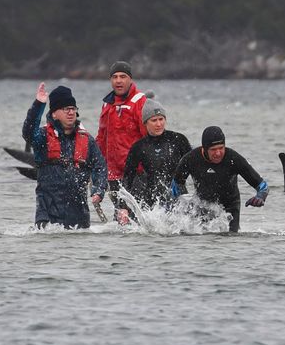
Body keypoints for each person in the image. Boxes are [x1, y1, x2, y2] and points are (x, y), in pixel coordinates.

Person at [22, 82, 108, 229]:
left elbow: (100, 167)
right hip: (47, 216)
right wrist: (38, 104)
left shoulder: (87, 140)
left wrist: (98, 191)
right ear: (54, 114)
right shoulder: (42, 137)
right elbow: (28, 133)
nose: (70, 112)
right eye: (65, 109)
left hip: (79, 217)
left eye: (73, 109)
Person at [171, 126, 268, 232]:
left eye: (221, 148)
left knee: (231, 238)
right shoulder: (191, 159)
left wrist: (260, 196)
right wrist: (183, 204)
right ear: (204, 148)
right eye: (213, 150)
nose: (218, 153)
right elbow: (176, 184)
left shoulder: (233, 159)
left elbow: (262, 185)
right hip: (202, 205)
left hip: (230, 207)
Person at [119, 100, 192, 217]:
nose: (159, 124)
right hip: (152, 201)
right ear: (145, 123)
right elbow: (128, 178)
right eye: (154, 120)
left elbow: (195, 167)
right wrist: (123, 207)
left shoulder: (179, 140)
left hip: (178, 198)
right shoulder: (139, 147)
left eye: (161, 119)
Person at [96, 61, 148, 215]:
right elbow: (101, 138)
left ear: (130, 79)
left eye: (123, 76)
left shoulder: (140, 101)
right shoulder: (107, 104)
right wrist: (97, 168)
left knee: (131, 216)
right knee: (120, 218)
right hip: (113, 173)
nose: (118, 80)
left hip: (136, 173)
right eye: (115, 77)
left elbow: (148, 137)